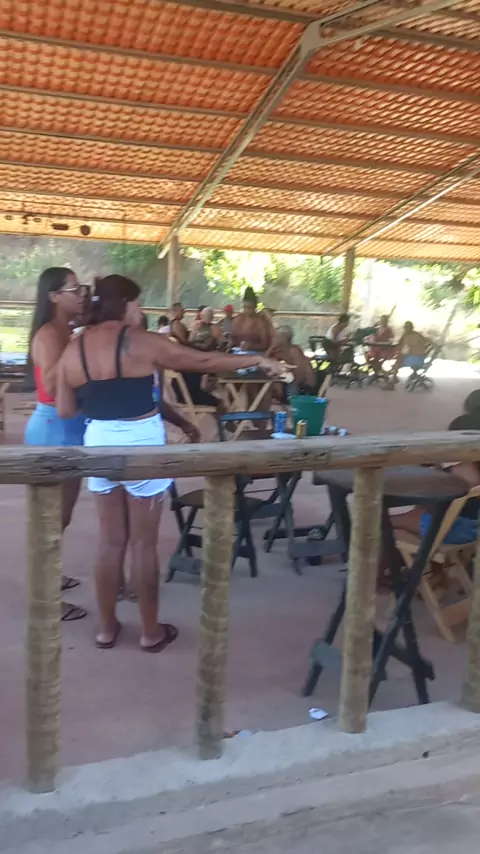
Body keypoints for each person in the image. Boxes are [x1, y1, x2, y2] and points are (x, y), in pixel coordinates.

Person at [56, 274, 285, 650]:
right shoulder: (142, 341)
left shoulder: (73, 348)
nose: (140, 311)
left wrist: (100, 398)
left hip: (97, 442)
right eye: (137, 303)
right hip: (143, 444)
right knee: (144, 544)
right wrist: (258, 359)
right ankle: (150, 632)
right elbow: (204, 360)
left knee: (110, 542)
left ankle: (106, 628)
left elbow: (65, 409)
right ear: (125, 304)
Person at [25, 267, 88, 622]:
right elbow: (50, 382)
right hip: (53, 427)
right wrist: (78, 346)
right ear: (54, 296)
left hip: (69, 425)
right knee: (50, 520)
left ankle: (51, 577)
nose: (81, 295)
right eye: (74, 289)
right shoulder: (50, 334)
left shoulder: (66, 330)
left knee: (61, 517)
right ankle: (46, 597)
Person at [267, 325, 315, 401]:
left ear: (283, 338)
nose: (273, 339)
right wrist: (271, 348)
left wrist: (272, 347)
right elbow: (264, 360)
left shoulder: (294, 351)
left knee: (277, 382)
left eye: (275, 337)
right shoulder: (280, 351)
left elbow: (299, 375)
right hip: (293, 385)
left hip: (302, 388)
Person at [385, 321, 430, 390]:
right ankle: (394, 377)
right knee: (399, 359)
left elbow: (404, 348)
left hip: (416, 359)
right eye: (405, 328)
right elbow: (400, 346)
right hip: (415, 357)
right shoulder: (409, 335)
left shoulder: (414, 336)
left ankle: (392, 381)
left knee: (399, 360)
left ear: (411, 328)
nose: (406, 329)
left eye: (407, 327)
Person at [230, 287, 273, 353]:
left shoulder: (260, 321)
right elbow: (232, 338)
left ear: (255, 307)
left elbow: (265, 345)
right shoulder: (238, 319)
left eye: (249, 308)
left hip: (255, 353)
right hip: (237, 352)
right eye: (244, 307)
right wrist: (230, 342)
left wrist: (251, 346)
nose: (246, 310)